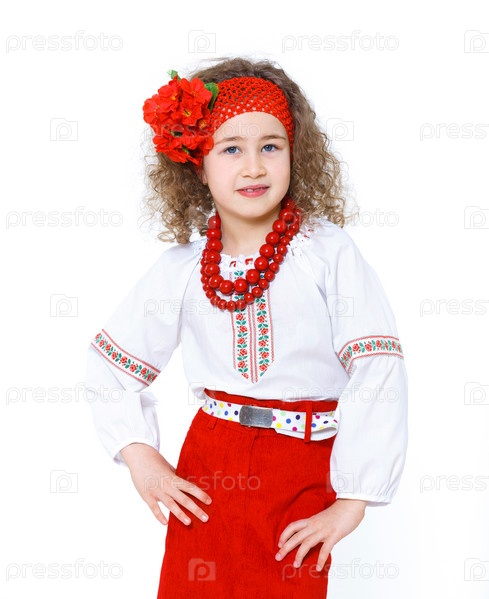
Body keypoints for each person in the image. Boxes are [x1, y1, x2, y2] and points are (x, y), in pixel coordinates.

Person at [84, 56, 408, 598]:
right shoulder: (182, 269)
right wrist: (141, 457)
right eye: (231, 149)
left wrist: (353, 500)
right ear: (197, 165)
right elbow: (109, 364)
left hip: (301, 467)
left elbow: (377, 368)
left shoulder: (326, 253)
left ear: (295, 154)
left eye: (271, 146)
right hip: (208, 470)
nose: (254, 167)